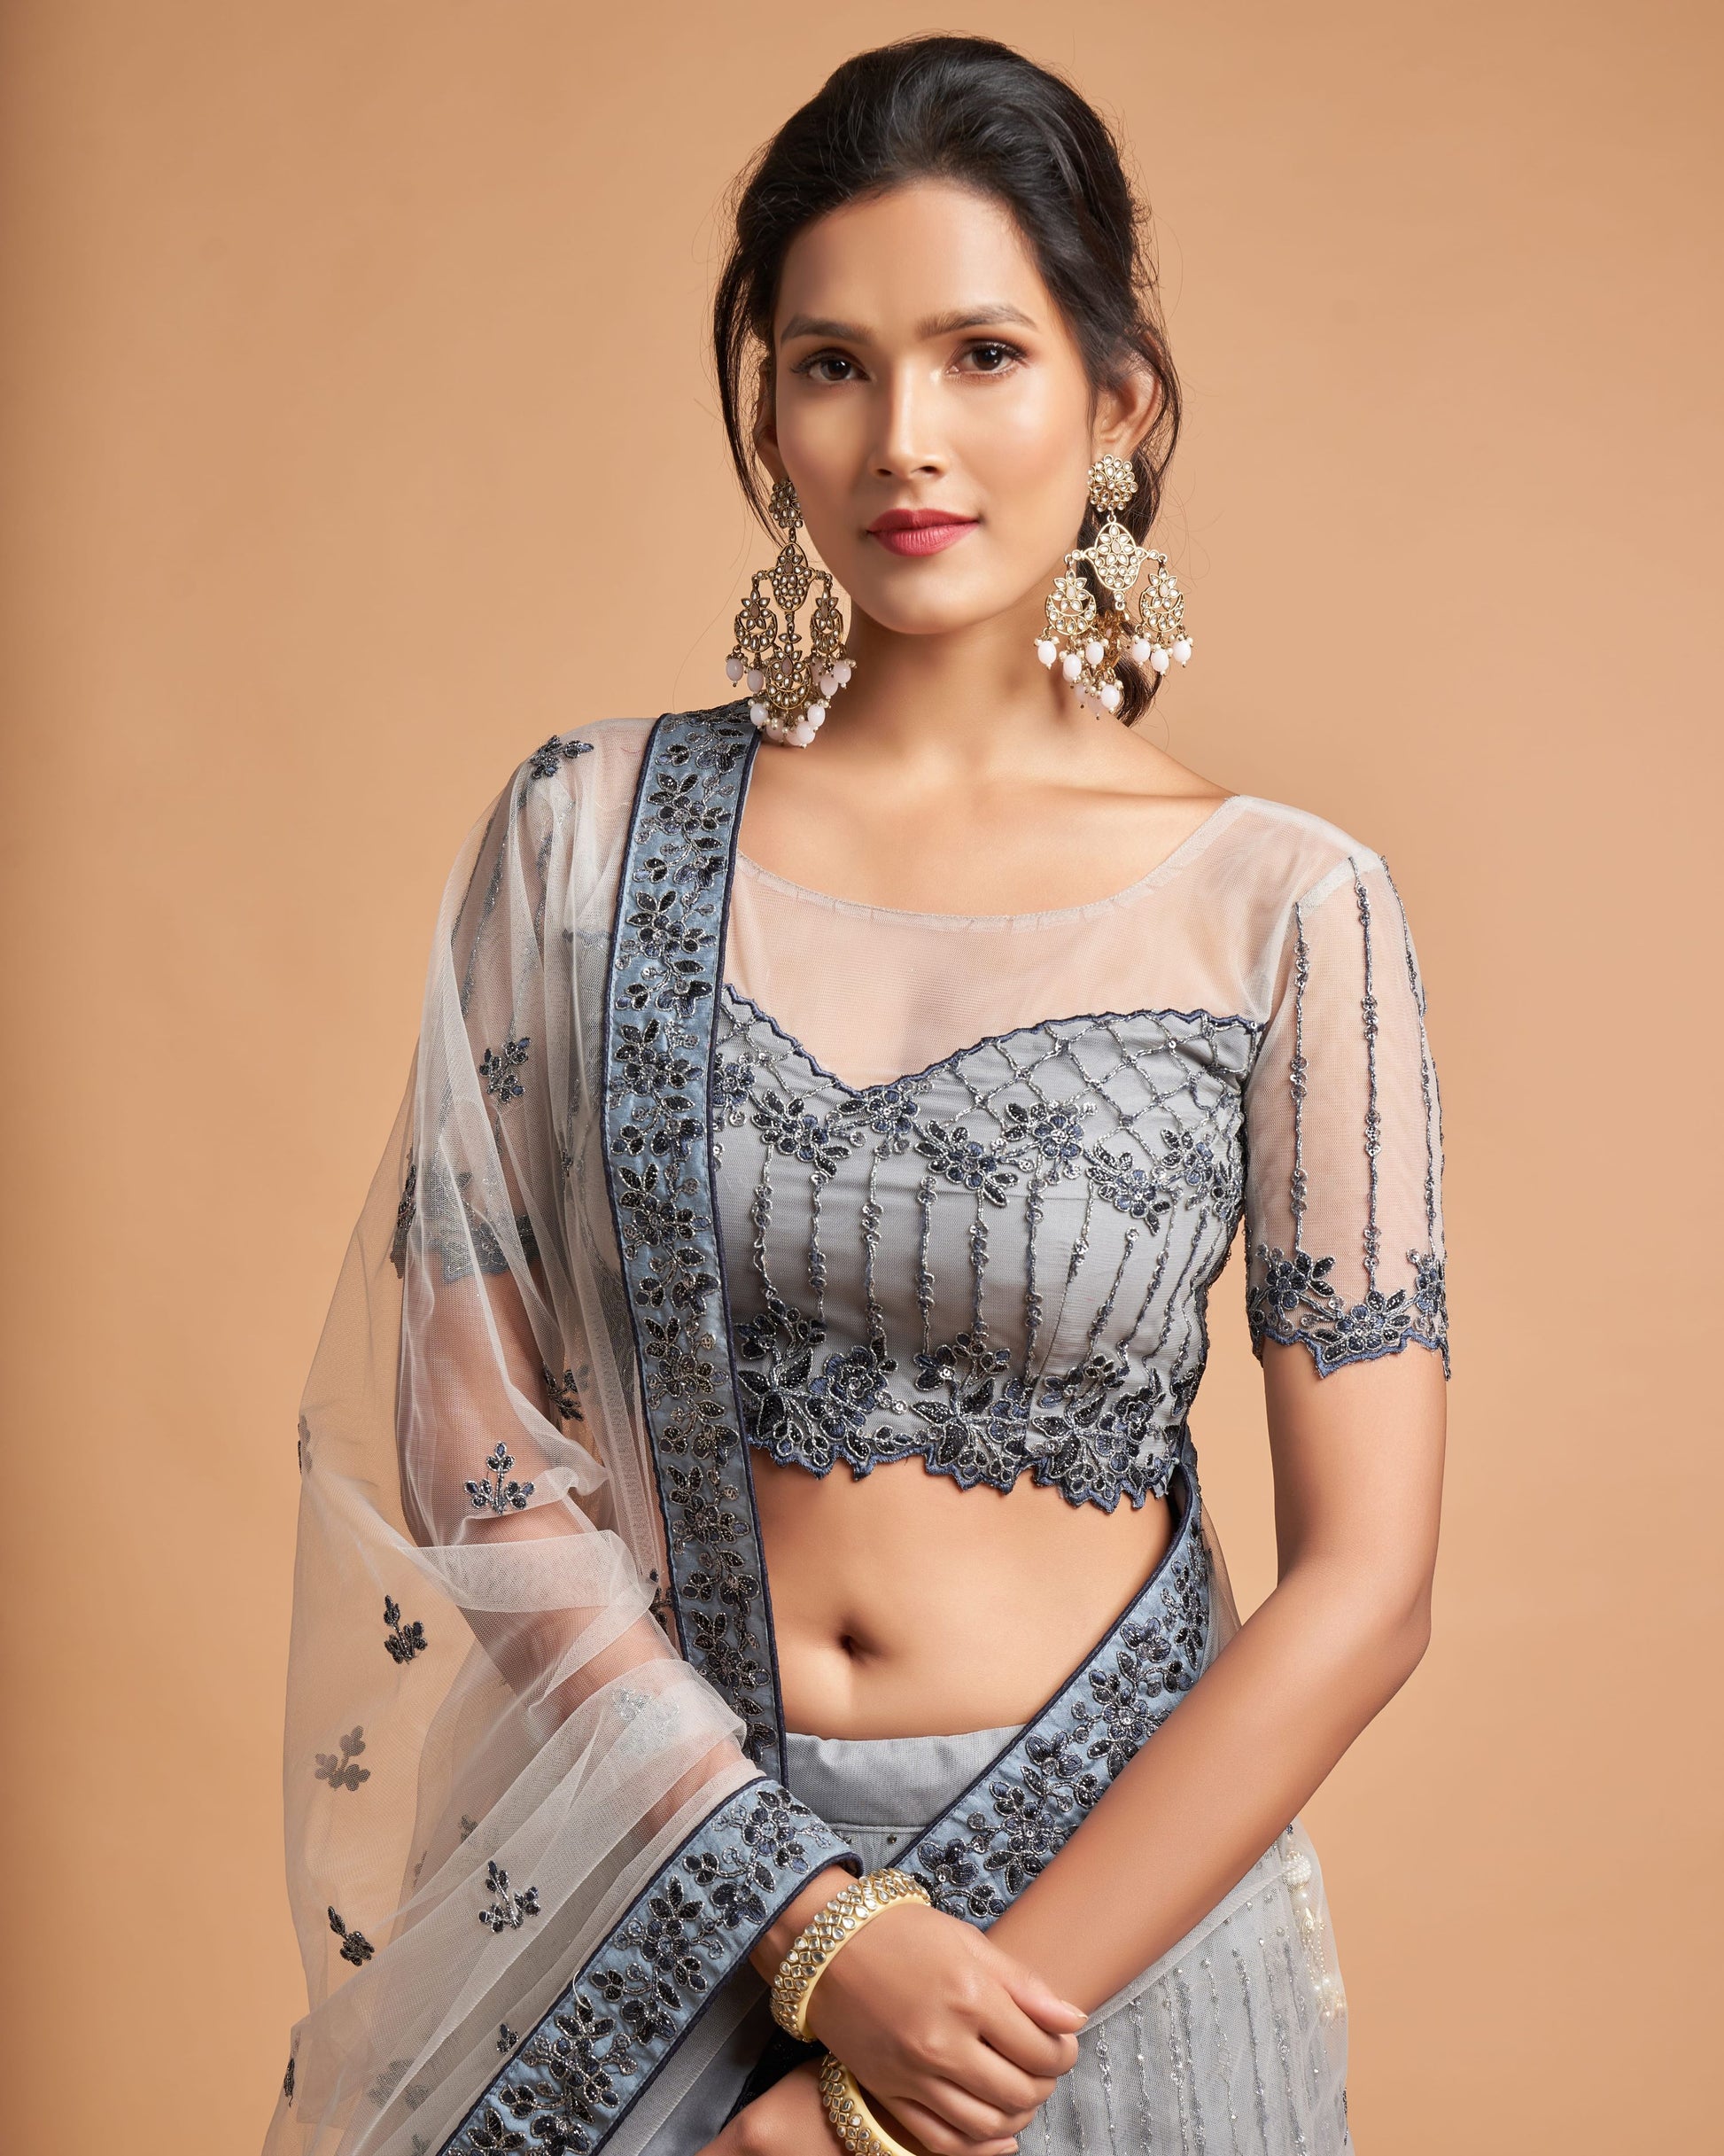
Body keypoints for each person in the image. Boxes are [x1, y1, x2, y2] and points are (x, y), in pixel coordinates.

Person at [264, 34, 1448, 2156]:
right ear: (766, 417)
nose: (905, 436)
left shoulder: (1285, 907)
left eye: (983, 353)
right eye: (833, 364)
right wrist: (812, 1927)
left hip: (1098, 1950)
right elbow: (467, 1430)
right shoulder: (585, 839)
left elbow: (1365, 1583)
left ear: (1117, 400)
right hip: (656, 1876)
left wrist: (910, 2074)